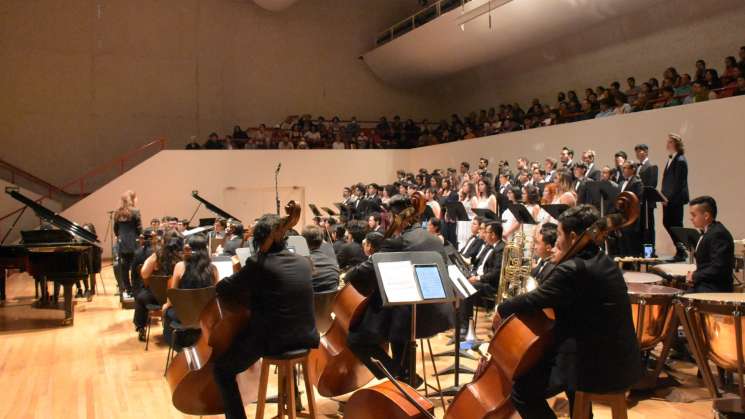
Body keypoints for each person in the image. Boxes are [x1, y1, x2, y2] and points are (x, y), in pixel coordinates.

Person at [495, 205, 642, 419]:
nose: (556, 242)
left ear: (573, 236)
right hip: (621, 360)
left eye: (560, 235)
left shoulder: (573, 269)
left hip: (595, 365)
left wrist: (502, 308)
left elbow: (534, 299)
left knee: (522, 391)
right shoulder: (604, 261)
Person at [212, 214, 319, 419]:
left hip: (273, 341)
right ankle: (292, 399)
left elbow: (223, 289)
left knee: (222, 370)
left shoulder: (258, 264)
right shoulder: (304, 262)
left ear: (258, 240)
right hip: (306, 336)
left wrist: (241, 270)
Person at [347, 195, 453, 384]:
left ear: (397, 217)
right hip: (437, 311)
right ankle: (405, 377)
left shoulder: (400, 241)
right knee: (397, 327)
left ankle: (400, 375)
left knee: (356, 339)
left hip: (412, 315)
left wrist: (349, 274)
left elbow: (368, 269)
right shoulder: (434, 238)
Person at [162, 234, 219, 346]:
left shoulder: (179, 266)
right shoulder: (213, 269)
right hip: (206, 317)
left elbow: (173, 296)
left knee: (167, 311)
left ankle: (176, 345)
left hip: (184, 317)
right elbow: (216, 296)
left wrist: (165, 306)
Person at [133, 230, 182, 341]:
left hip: (157, 298)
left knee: (141, 297)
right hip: (178, 298)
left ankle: (140, 327)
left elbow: (144, 274)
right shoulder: (183, 257)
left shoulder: (157, 256)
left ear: (164, 241)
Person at [686, 196, 734, 292]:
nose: (691, 218)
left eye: (694, 215)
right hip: (706, 283)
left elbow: (718, 267)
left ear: (706, 216)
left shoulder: (718, 234)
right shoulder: (710, 231)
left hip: (714, 288)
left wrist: (695, 276)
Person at [661, 133, 690, 261]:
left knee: (676, 224)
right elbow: (667, 180)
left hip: (675, 200)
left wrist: (669, 198)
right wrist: (662, 196)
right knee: (667, 222)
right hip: (667, 199)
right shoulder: (671, 159)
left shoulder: (680, 160)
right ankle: (680, 249)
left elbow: (678, 183)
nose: (667, 144)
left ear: (675, 144)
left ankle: (682, 251)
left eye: (669, 142)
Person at [114, 191, 142, 299]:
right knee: (135, 266)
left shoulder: (118, 212)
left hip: (122, 243)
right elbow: (139, 228)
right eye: (136, 198)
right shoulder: (135, 211)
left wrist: (120, 236)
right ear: (132, 199)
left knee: (124, 268)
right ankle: (136, 289)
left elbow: (115, 229)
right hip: (133, 243)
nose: (137, 200)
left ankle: (128, 289)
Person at [635, 144, 659, 255]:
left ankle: (648, 253)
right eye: (636, 151)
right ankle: (640, 251)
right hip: (638, 204)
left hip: (647, 203)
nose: (637, 153)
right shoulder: (636, 166)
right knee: (640, 228)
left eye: (640, 151)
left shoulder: (652, 166)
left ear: (646, 152)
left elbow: (652, 185)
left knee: (648, 229)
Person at [302, 224, 340, 293]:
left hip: (308, 302)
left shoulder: (301, 264)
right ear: (321, 241)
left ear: (303, 241)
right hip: (330, 302)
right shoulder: (333, 262)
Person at [618, 161, 643, 256]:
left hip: (631, 217)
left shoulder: (637, 182)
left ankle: (633, 266)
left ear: (633, 169)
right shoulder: (621, 183)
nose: (623, 170)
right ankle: (624, 266)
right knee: (622, 243)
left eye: (626, 168)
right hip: (622, 217)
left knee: (631, 244)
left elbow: (638, 201)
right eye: (623, 168)